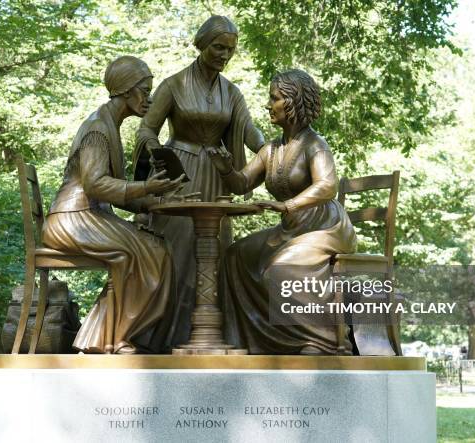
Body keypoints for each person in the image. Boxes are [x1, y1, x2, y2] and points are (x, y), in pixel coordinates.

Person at [134, 15, 264, 346]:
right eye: (218, 47)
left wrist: (269, 149)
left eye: (230, 50)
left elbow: (248, 129)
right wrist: (153, 148)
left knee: (213, 252)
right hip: (179, 174)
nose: (224, 55)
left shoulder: (232, 93)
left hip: (216, 175)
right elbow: (147, 127)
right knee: (175, 252)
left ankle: (206, 334)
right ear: (202, 45)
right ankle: (159, 337)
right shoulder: (174, 85)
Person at [207, 69, 357, 354]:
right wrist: (225, 167)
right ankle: (253, 340)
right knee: (234, 256)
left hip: (324, 227)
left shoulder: (315, 144)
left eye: (273, 98)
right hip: (291, 229)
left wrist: (287, 205)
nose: (268, 105)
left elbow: (328, 186)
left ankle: (322, 341)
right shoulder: (271, 149)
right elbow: (242, 183)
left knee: (281, 269)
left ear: (292, 102)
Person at [42, 56, 183, 354]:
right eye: (145, 90)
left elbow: (114, 191)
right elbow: (96, 185)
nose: (149, 98)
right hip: (72, 219)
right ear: (125, 90)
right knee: (145, 252)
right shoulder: (98, 129)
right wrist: (146, 187)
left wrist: (156, 201)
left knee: (156, 247)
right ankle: (116, 338)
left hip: (89, 216)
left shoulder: (110, 124)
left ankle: (105, 337)